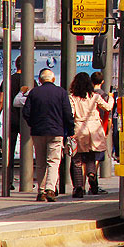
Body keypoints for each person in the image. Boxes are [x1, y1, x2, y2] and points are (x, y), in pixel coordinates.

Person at [23, 69, 74, 202]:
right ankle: (50, 189)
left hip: (38, 132)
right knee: (53, 161)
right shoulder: (61, 92)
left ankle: (41, 191)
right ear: (53, 79)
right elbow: (68, 114)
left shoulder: (34, 92)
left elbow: (26, 112)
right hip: (56, 131)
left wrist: (33, 124)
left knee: (40, 163)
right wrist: (70, 130)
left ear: (40, 80)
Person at [69, 72, 114, 198]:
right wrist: (110, 97)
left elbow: (71, 114)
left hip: (79, 128)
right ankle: (92, 175)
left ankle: (78, 187)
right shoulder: (95, 96)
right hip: (94, 128)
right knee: (91, 156)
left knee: (77, 159)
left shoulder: (72, 97)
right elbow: (108, 108)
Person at [0, 56, 24, 192]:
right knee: (27, 150)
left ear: (16, 65)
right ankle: (26, 180)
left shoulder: (8, 80)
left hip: (10, 119)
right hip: (25, 120)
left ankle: (9, 180)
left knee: (9, 151)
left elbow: (1, 100)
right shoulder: (30, 81)